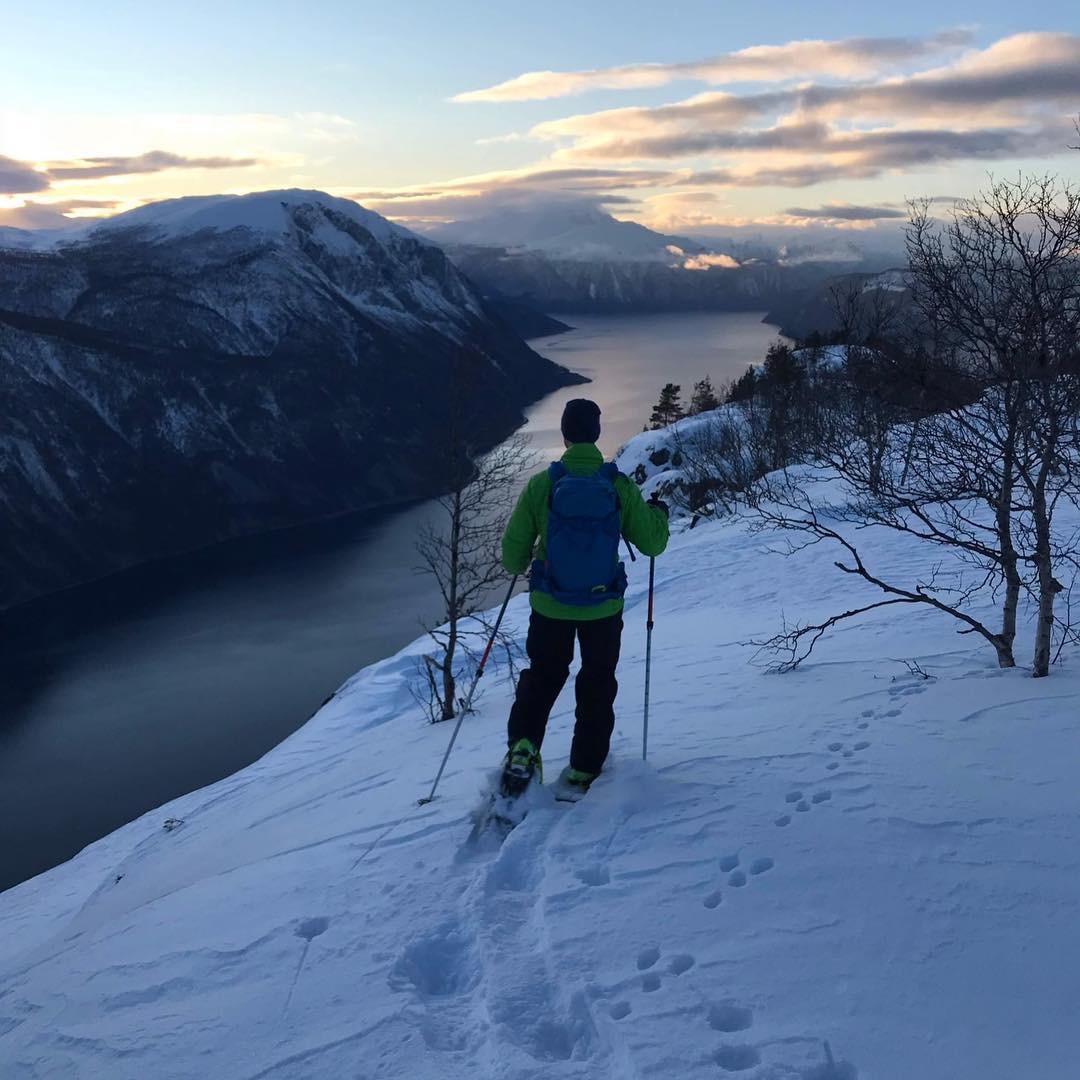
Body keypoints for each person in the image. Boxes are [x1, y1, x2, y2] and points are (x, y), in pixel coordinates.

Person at [499, 398, 669, 797]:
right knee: (596, 681)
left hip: (550, 604)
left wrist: (533, 553)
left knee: (544, 675)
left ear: (564, 435)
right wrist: (659, 515)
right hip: (602, 607)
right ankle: (583, 769)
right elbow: (652, 544)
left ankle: (524, 748)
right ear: (596, 434)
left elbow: (511, 558)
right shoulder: (617, 485)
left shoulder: (543, 485)